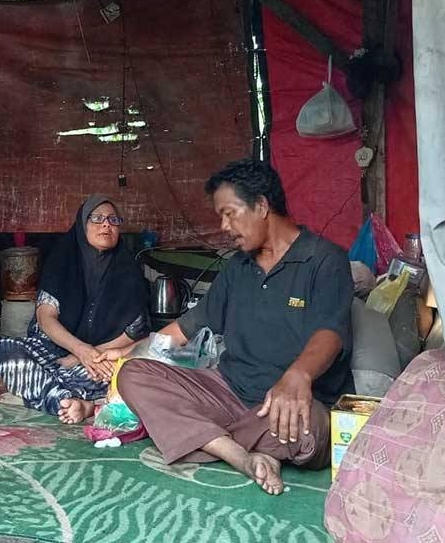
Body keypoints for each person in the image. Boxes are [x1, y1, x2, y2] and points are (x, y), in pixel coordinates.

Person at [108, 159, 354, 495]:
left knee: (309, 430)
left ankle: (201, 437)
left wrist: (298, 376)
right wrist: (119, 355)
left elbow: (330, 333)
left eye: (230, 212)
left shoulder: (324, 260)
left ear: (262, 205)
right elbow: (183, 331)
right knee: (134, 375)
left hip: (286, 406)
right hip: (227, 391)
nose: (224, 226)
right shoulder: (238, 267)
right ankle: (240, 456)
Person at [0, 195, 150, 424]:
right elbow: (45, 317)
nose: (107, 224)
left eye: (113, 220)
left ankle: (31, 386)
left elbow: (134, 333)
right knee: (8, 350)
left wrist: (85, 357)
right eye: (97, 218)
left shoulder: (130, 272)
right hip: (50, 349)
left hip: (100, 358)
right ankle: (68, 401)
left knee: (122, 375)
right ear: (82, 224)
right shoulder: (61, 261)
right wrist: (81, 351)